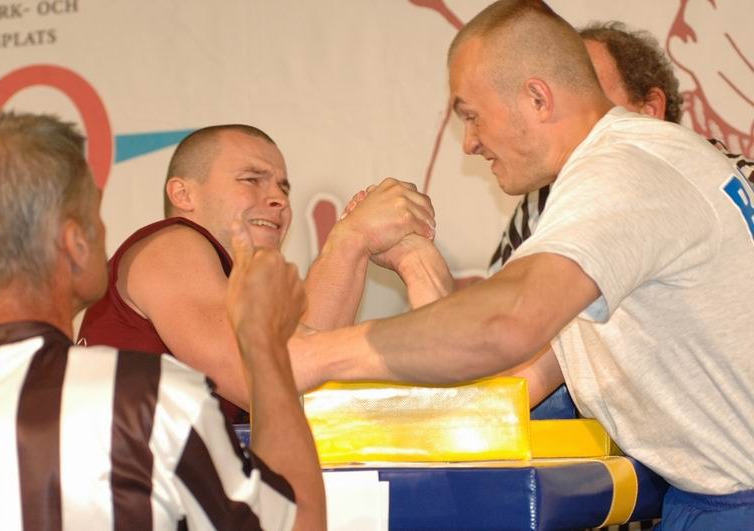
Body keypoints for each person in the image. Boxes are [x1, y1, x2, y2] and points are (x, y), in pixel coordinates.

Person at [294, 1, 754, 528]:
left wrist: (316, 354)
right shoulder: (619, 184)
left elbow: (502, 324)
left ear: (537, 98)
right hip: (714, 499)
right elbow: (503, 380)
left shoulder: (624, 174)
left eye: (470, 115)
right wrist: (417, 261)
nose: (468, 143)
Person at [0, 112, 325, 530]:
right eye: (96, 218)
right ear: (76, 246)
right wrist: (261, 344)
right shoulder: (149, 397)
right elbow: (292, 523)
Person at [78, 124, 437, 421]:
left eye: (283, 187)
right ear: (183, 194)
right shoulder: (170, 245)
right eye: (252, 180)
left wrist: (367, 247)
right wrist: (350, 237)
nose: (279, 198)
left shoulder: (240, 289)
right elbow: (260, 383)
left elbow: (302, 385)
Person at [488, 20, 754, 274]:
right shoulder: (540, 202)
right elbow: (502, 310)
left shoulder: (742, 179)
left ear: (649, 110)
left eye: (588, 93)